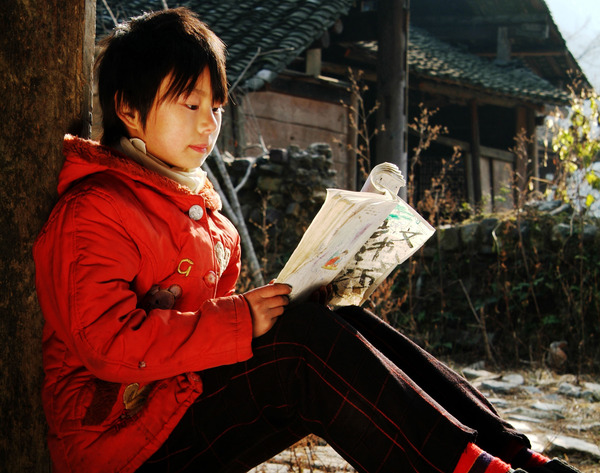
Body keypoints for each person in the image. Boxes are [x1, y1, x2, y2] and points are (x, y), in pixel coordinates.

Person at [33, 7, 581, 473]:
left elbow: (206, 339)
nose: (208, 124)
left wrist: (287, 301)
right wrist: (241, 320)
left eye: (216, 107)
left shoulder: (204, 218)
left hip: (177, 410)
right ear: (128, 109)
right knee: (299, 345)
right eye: (190, 105)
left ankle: (514, 457)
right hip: (119, 444)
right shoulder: (95, 210)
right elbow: (105, 342)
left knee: (334, 318)